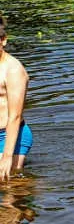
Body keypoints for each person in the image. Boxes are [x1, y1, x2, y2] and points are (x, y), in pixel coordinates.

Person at [0, 17, 31, 182]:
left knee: (8, 187)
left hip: (10, 135)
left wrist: (6, 156)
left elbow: (15, 116)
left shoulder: (13, 70)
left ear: (3, 40)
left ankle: (32, 190)